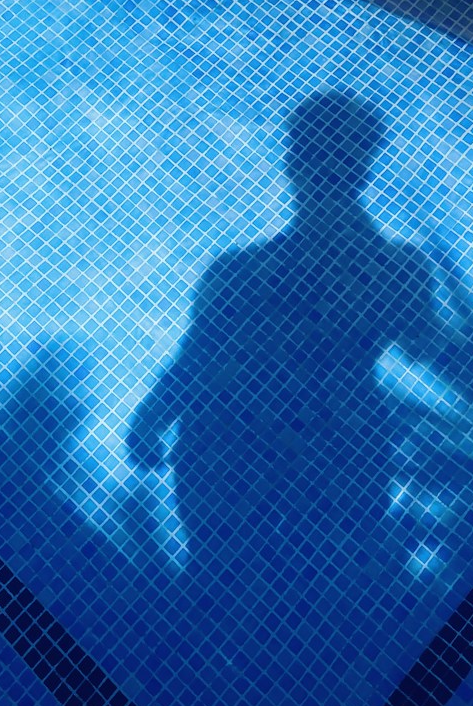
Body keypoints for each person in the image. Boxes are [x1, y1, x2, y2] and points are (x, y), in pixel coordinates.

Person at [126, 90, 439, 595]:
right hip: (233, 472)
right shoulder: (238, 273)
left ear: (360, 167)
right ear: (296, 164)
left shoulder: (395, 269)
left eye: (341, 159)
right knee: (228, 594)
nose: (325, 172)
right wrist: (151, 417)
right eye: (315, 155)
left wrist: (152, 419)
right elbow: (195, 360)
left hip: (330, 474)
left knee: (311, 599)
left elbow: (426, 345)